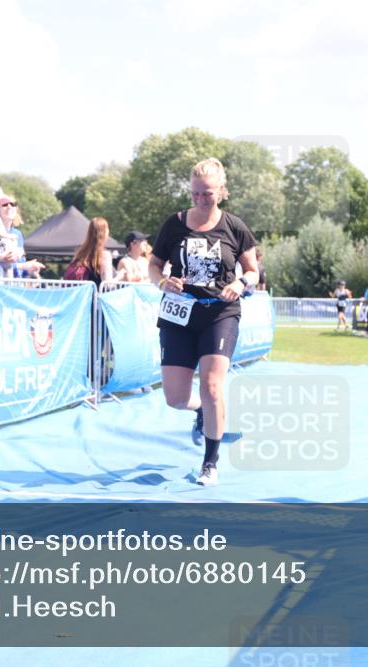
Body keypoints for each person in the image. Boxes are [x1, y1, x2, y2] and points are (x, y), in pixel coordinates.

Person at [149, 157, 258, 487]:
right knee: (175, 398)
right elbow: (154, 265)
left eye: (207, 194)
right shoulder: (175, 223)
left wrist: (239, 284)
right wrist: (161, 282)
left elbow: (253, 271)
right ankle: (199, 411)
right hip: (179, 314)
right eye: (195, 193)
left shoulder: (235, 227)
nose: (200, 200)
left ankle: (210, 462)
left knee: (212, 387)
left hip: (219, 314)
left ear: (222, 192)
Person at [0, 194, 44, 280]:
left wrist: (29, 269)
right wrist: (23, 266)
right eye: (5, 204)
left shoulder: (18, 234)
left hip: (16, 284)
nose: (9, 207)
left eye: (13, 204)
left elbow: (20, 264)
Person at [64, 216, 114, 286]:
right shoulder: (105, 255)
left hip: (81, 295)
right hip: (95, 295)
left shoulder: (80, 253)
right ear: (105, 232)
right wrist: (119, 277)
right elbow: (108, 284)